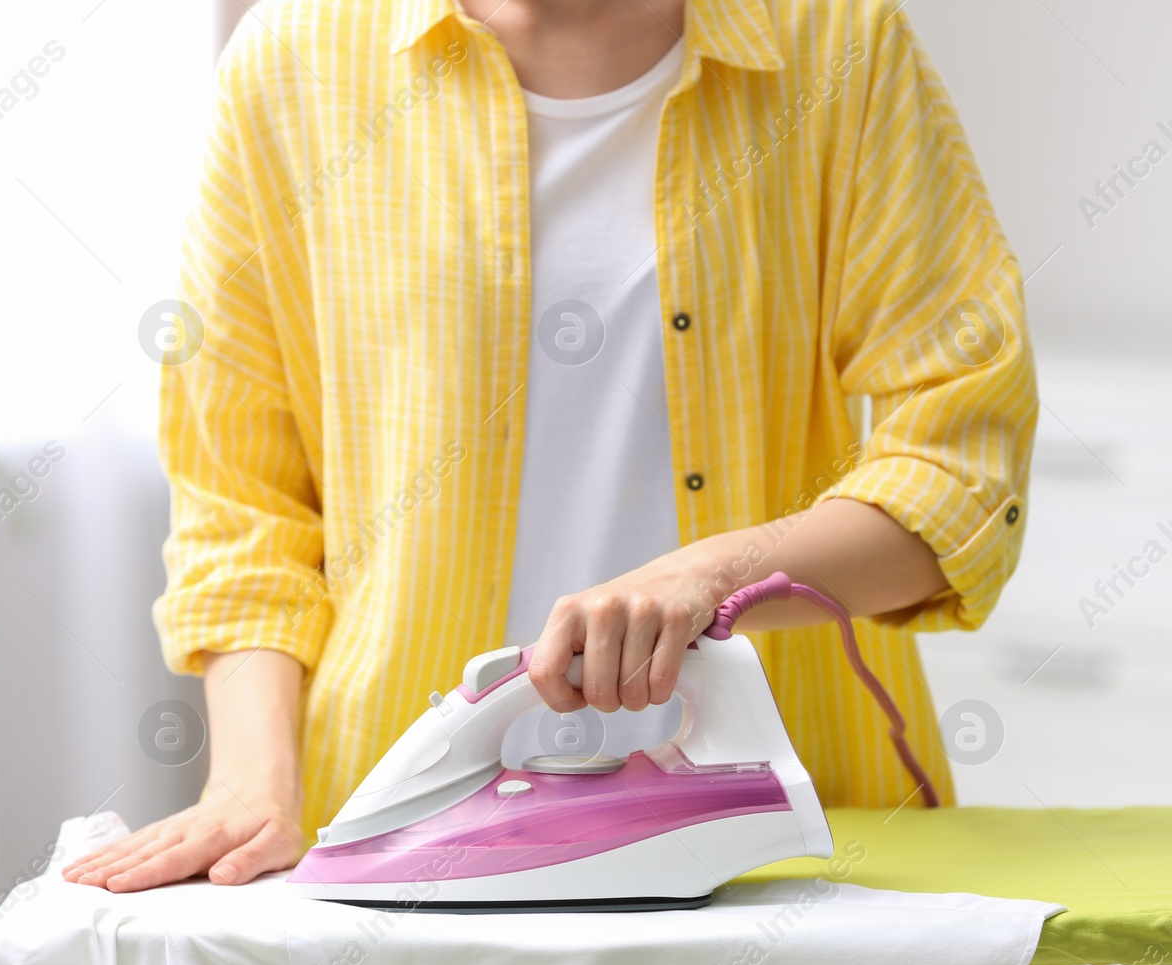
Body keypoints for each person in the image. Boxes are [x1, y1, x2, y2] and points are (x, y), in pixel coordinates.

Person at [65, 0, 1033, 909]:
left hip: (794, 852)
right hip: (389, 855)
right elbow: (242, 511)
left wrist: (707, 577)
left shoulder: (837, 50)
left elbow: (960, 466)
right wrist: (250, 780)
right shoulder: (294, 65)